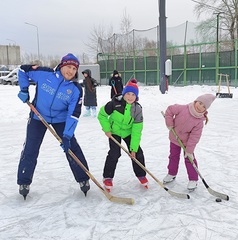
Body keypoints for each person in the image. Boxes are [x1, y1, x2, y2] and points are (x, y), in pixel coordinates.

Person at [17, 53, 90, 199]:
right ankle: (24, 181)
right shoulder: (44, 74)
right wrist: (24, 89)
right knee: (31, 147)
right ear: (62, 65)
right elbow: (22, 70)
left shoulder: (75, 89)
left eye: (74, 69)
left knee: (72, 147)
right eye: (69, 67)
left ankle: (83, 178)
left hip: (60, 119)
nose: (71, 71)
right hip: (38, 115)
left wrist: (67, 136)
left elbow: (73, 114)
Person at [97, 79, 148, 192]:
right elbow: (101, 115)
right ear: (124, 94)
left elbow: (136, 130)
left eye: (133, 94)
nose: (130, 97)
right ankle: (108, 177)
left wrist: (133, 148)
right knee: (114, 154)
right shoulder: (114, 104)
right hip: (114, 131)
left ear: (136, 97)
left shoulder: (137, 109)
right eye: (128, 94)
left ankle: (141, 175)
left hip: (128, 132)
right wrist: (107, 129)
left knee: (137, 153)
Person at [163, 94, 216, 190]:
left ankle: (193, 179)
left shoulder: (199, 121)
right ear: (196, 101)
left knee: (189, 159)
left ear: (205, 109)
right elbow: (170, 110)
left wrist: (189, 150)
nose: (200, 107)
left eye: (203, 106)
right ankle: (172, 173)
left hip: (187, 143)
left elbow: (194, 137)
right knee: (173, 157)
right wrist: (169, 123)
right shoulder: (183, 108)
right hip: (174, 138)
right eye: (200, 103)